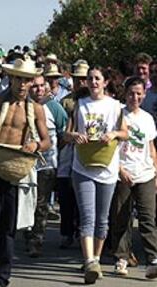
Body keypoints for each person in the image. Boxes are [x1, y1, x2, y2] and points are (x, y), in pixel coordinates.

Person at [0, 56, 51, 287]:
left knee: (8, 225)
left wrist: (35, 145)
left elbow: (47, 142)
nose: (23, 85)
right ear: (10, 79)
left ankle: (2, 276)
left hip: (17, 169)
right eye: (18, 79)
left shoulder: (36, 109)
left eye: (27, 80)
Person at [64, 66, 128, 284]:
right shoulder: (79, 105)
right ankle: (89, 261)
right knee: (87, 217)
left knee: (102, 220)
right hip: (82, 166)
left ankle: (96, 258)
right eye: (89, 79)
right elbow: (66, 133)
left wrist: (114, 133)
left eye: (97, 79)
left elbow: (125, 133)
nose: (93, 82)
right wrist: (74, 136)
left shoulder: (115, 106)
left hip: (107, 167)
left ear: (105, 82)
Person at [110, 76, 157, 279]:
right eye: (131, 93)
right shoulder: (118, 115)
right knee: (122, 216)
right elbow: (110, 149)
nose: (135, 97)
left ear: (144, 94)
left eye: (139, 93)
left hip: (145, 173)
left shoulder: (147, 118)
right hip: (123, 173)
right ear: (125, 93)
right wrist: (120, 170)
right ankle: (121, 258)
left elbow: (151, 148)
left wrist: (155, 172)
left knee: (148, 218)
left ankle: (153, 260)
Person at [25, 74, 67, 257]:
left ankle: (37, 240)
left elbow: (63, 135)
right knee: (25, 202)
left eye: (42, 86)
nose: (39, 89)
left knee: (41, 204)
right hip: (23, 164)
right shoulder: (20, 106)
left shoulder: (54, 108)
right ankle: (25, 233)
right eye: (35, 86)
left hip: (47, 164)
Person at [57, 59, 89, 249]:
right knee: (66, 196)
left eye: (84, 79)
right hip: (68, 153)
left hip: (86, 154)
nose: (81, 83)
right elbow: (62, 130)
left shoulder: (94, 101)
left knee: (82, 199)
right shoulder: (66, 101)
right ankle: (67, 232)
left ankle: (81, 233)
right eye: (78, 79)